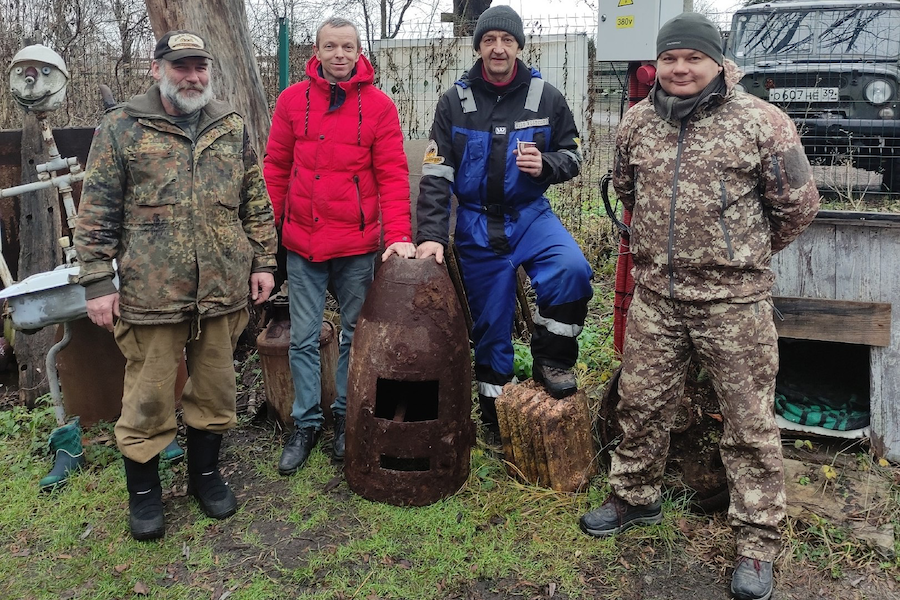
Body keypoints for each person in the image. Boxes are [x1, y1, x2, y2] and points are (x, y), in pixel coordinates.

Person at [578, 13, 819, 600]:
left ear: (717, 62)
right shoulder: (636, 123)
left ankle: (758, 539)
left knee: (747, 420)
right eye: (670, 59)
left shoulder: (763, 123)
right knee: (640, 401)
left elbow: (797, 208)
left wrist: (740, 255)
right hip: (657, 297)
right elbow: (626, 192)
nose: (681, 69)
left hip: (733, 303)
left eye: (693, 58)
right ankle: (634, 496)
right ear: (656, 64)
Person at [73, 30, 278, 540]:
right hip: (151, 290)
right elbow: (96, 208)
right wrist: (98, 281)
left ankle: (205, 478)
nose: (192, 76)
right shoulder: (123, 125)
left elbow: (254, 196)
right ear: (156, 67)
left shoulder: (229, 124)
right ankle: (144, 496)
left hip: (222, 287)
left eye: (199, 66)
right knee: (148, 395)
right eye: (181, 65)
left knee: (215, 387)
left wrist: (264, 261)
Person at [415, 5, 593, 430]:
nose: (498, 48)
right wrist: (432, 235)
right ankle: (497, 418)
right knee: (491, 325)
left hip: (531, 216)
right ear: (477, 46)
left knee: (571, 270)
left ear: (518, 46)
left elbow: (573, 156)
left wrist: (546, 164)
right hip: (477, 224)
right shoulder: (455, 103)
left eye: (507, 40)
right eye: (489, 40)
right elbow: (437, 175)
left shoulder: (545, 97)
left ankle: (552, 361)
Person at [264, 17, 415, 475]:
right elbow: (275, 166)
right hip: (303, 246)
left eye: (347, 46)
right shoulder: (292, 101)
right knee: (303, 339)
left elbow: (392, 174)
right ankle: (305, 424)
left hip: (355, 246)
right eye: (330, 46)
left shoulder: (379, 107)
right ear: (317, 50)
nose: (339, 55)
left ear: (358, 51)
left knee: (356, 335)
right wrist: (268, 233)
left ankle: (347, 420)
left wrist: (399, 237)